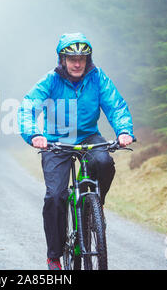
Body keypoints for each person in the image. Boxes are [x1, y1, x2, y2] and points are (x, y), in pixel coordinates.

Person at [17, 32, 135, 270]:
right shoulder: (50, 80)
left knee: (103, 162)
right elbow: (28, 106)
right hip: (56, 141)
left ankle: (95, 206)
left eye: (82, 57)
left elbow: (116, 105)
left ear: (88, 59)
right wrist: (35, 135)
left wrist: (123, 131)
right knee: (55, 197)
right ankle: (54, 256)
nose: (77, 63)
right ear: (62, 59)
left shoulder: (97, 77)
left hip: (89, 137)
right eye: (72, 58)